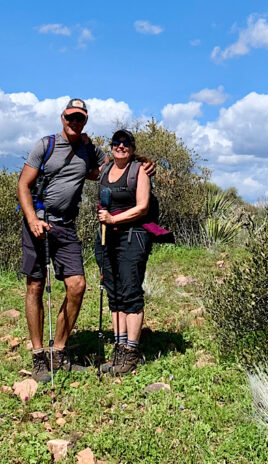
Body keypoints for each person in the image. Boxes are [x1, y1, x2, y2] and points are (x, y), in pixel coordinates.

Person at [17, 99, 152, 383]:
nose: (74, 122)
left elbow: (113, 165)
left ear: (85, 120)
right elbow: (23, 184)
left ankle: (59, 351)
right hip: (39, 222)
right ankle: (39, 355)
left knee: (77, 285)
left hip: (66, 227)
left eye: (80, 118)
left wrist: (143, 164)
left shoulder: (89, 150)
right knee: (36, 285)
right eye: (70, 117)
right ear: (63, 117)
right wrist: (32, 219)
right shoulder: (46, 145)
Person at [95, 128, 152, 376]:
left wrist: (113, 219)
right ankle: (118, 346)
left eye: (126, 143)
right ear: (111, 146)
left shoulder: (139, 171)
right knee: (114, 293)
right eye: (117, 142)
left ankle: (131, 352)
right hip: (107, 239)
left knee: (130, 293)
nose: (121, 146)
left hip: (132, 237)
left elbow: (142, 208)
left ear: (132, 147)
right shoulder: (105, 169)